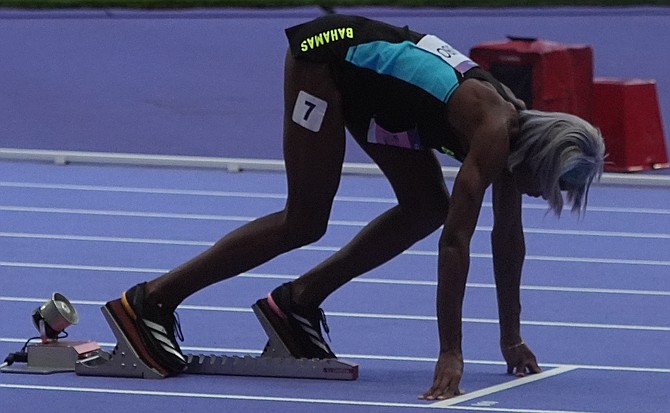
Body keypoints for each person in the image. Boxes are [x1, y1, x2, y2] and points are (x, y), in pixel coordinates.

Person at [105, 14, 605, 400]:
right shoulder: (494, 132)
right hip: (326, 63)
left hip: (386, 102)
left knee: (425, 207)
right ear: (537, 159)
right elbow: (457, 243)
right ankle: (150, 301)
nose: (546, 197)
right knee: (304, 219)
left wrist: (511, 338)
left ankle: (295, 304)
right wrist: (451, 353)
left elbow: (507, 241)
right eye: (553, 187)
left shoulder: (517, 141)